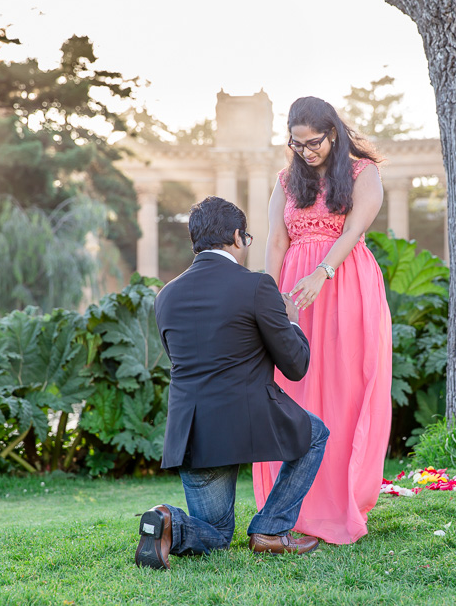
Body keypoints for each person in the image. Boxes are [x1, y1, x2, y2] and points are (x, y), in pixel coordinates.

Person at [135, 196, 330, 569]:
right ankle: (271, 530)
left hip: (191, 432)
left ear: (196, 241)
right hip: (249, 420)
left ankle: (168, 522)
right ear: (238, 237)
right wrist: (289, 321)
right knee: (315, 435)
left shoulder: (166, 296)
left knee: (216, 534)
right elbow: (296, 365)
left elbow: (182, 359)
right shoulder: (257, 286)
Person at [253, 96, 392, 545]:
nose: (306, 151)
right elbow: (276, 239)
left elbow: (353, 231)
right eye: (297, 144)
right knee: (293, 387)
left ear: (333, 133)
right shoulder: (285, 180)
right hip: (294, 291)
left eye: (313, 143)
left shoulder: (362, 173)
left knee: (343, 388)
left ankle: (339, 500)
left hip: (344, 282)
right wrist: (266, 299)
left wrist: (322, 271)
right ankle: (288, 505)